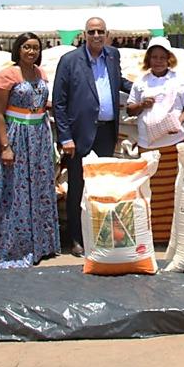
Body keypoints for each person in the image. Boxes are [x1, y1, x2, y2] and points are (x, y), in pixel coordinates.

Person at [52, 17, 132, 257]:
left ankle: (100, 234)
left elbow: (119, 81)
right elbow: (59, 102)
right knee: (78, 186)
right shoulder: (70, 61)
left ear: (107, 34)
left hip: (106, 132)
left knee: (102, 185)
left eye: (101, 31)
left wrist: (143, 88)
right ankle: (76, 238)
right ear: (84, 35)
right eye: (92, 31)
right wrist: (65, 137)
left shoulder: (112, 55)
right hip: (80, 135)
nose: (96, 35)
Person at [0, 32, 60, 269]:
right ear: (18, 49)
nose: (31, 52)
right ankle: (12, 246)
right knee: (14, 189)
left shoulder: (41, 74)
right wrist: (5, 146)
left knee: (39, 186)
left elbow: (40, 103)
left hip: (39, 137)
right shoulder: (6, 76)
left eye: (35, 48)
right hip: (16, 135)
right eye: (26, 47)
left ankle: (40, 244)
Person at [126, 36, 184, 242]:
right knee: (150, 191)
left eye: (162, 57)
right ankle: (152, 235)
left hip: (173, 144)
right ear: (149, 59)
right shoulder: (141, 82)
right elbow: (130, 108)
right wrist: (141, 105)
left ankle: (172, 236)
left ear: (169, 59)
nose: (158, 61)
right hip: (149, 145)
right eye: (154, 57)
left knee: (172, 190)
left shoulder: (179, 80)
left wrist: (177, 123)